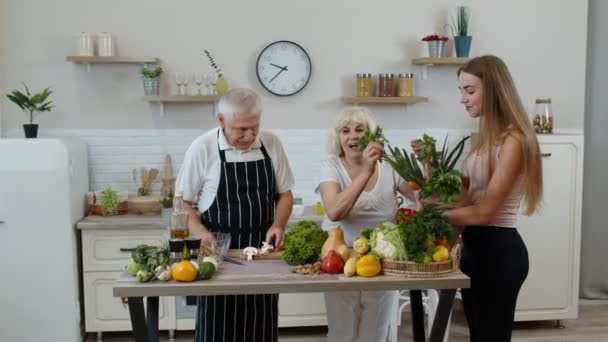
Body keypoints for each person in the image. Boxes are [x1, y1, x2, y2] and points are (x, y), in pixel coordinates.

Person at [427, 55, 543, 342]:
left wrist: (432, 216)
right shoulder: (485, 139)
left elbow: (485, 212)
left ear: (493, 91)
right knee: (479, 336)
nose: (463, 99)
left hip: (499, 252)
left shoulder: (514, 140)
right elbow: (467, 199)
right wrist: (432, 169)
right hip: (476, 250)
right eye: (461, 91)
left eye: (470, 91)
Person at [175, 88, 295, 342]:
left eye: (255, 127)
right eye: (241, 129)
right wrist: (203, 234)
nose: (250, 135)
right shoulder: (203, 148)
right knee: (216, 330)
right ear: (221, 120)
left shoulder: (271, 144)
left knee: (261, 329)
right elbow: (182, 202)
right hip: (217, 259)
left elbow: (284, 194)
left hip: (262, 259)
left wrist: (279, 224)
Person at [317, 106, 416, 342]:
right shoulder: (331, 165)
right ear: (338, 137)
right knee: (342, 332)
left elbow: (423, 197)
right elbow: (334, 211)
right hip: (339, 261)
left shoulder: (390, 166)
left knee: (376, 332)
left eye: (360, 129)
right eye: (345, 130)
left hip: (383, 262)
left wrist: (427, 167)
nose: (352, 136)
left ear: (371, 135)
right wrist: (365, 171)